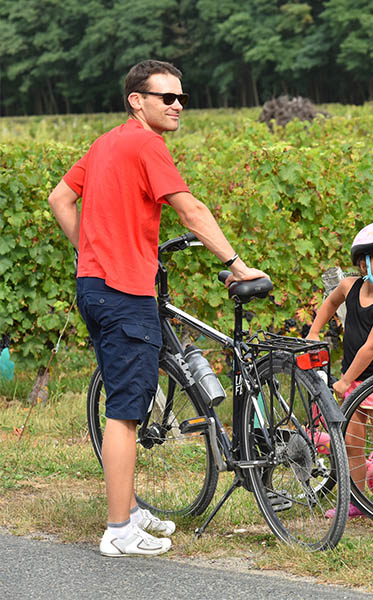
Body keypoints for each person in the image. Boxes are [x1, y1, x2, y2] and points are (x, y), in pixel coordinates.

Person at [47, 60, 267, 557]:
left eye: (181, 98)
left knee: (128, 401)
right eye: (165, 97)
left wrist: (89, 251)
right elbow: (189, 208)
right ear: (137, 100)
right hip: (125, 292)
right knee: (126, 412)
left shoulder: (106, 143)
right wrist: (236, 264)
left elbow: (60, 198)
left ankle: (128, 506)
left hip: (95, 287)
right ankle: (119, 529)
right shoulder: (147, 144)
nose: (177, 106)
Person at [306, 221, 373, 521]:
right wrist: (314, 331)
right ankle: (356, 502)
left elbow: (369, 348)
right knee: (352, 444)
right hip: (352, 378)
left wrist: (344, 381)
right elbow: (330, 304)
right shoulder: (349, 286)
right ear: (364, 263)